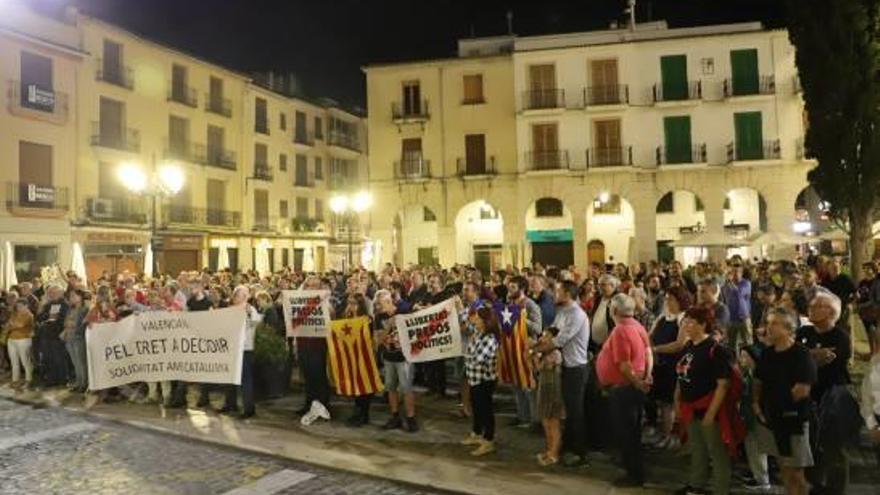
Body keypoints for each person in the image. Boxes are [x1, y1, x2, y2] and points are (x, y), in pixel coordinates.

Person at [753, 307, 816, 495]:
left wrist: (778, 407)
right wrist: (757, 404)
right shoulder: (767, 353)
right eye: (768, 322)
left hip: (793, 421)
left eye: (774, 323)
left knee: (797, 473)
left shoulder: (801, 354)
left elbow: (802, 389)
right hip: (771, 420)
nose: (768, 328)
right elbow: (759, 380)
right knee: (784, 469)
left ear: (789, 328)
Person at [674, 306, 736, 495]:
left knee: (717, 453)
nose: (685, 325)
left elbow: (723, 385)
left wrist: (711, 413)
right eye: (685, 321)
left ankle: (721, 490)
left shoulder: (716, 350)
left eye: (690, 322)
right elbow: (681, 375)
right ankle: (696, 485)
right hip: (690, 406)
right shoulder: (689, 345)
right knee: (697, 448)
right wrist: (677, 399)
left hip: (709, 408)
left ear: (703, 325)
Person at [796, 291, 851, 494]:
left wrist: (805, 356)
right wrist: (813, 355)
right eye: (811, 305)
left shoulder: (841, 337)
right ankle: (814, 486)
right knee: (810, 445)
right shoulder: (804, 333)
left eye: (817, 305)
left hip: (833, 398)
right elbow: (794, 358)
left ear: (830, 312)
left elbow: (829, 363)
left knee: (833, 447)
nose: (810, 308)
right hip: (808, 398)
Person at [596, 293, 652, 488]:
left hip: (624, 389)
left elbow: (624, 365)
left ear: (614, 311)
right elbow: (648, 352)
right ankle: (633, 468)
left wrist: (638, 382)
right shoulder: (637, 325)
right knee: (633, 431)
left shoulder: (621, 330)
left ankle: (634, 474)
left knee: (627, 433)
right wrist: (647, 376)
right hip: (632, 387)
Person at [534, 280, 589, 467]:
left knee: (575, 412)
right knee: (561, 411)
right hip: (562, 367)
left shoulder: (577, 314)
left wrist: (536, 349)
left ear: (567, 293)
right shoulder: (563, 312)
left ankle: (580, 453)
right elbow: (552, 331)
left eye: (558, 291)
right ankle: (563, 447)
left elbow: (560, 340)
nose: (554, 294)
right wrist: (543, 338)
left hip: (575, 368)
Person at [647, 286, 692, 449]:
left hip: (673, 365)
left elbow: (680, 344)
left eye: (671, 299)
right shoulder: (662, 317)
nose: (667, 302)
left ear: (680, 301)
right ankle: (664, 432)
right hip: (659, 363)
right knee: (661, 401)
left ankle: (670, 436)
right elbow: (649, 336)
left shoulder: (684, 319)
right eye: (666, 298)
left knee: (669, 403)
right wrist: (653, 350)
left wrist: (656, 349)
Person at [376, 290, 419, 432]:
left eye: (380, 304)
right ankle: (395, 416)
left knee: (406, 388)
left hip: (403, 358)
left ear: (389, 302)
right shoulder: (379, 317)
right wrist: (388, 326)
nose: (378, 307)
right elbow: (378, 340)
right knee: (390, 388)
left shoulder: (403, 313)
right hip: (389, 358)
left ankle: (411, 417)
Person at [461, 306, 500, 456]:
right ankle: (477, 433)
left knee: (486, 409)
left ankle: (488, 440)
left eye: (478, 318)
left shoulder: (489, 339)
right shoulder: (478, 332)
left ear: (485, 321)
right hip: (474, 378)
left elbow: (476, 359)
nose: (474, 320)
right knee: (476, 407)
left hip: (484, 379)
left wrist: (466, 354)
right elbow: (466, 323)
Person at [506, 276, 542, 428]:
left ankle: (535, 419)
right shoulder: (509, 304)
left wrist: (521, 317)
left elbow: (538, 328)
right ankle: (522, 416)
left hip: (527, 348)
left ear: (522, 289)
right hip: (513, 348)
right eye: (509, 287)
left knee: (528, 385)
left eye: (513, 287)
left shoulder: (531, 305)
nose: (509, 290)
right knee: (516, 384)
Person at [222, 285, 261, 419]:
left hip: (245, 349)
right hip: (232, 347)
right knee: (230, 378)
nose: (236, 297)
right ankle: (230, 404)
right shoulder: (231, 309)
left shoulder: (251, 309)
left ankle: (248, 408)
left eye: (240, 295)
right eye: (236, 295)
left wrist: (249, 312)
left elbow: (255, 322)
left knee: (245, 379)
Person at [739, 345, 771, 493]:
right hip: (747, 416)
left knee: (758, 449)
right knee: (751, 448)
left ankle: (763, 480)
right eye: (741, 356)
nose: (742, 359)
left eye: (745, 356)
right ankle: (757, 475)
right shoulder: (746, 374)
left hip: (756, 417)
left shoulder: (758, 376)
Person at [533, 327, 563, 466]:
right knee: (545, 420)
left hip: (553, 388)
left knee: (553, 422)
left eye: (546, 336)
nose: (542, 338)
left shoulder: (555, 354)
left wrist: (537, 352)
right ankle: (548, 449)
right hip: (544, 386)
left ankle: (554, 453)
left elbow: (547, 367)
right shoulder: (543, 354)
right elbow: (538, 368)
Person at [34, 284, 69, 387]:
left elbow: (63, 318)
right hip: (46, 334)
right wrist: (47, 315)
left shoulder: (65, 304)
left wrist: (50, 317)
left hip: (57, 334)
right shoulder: (48, 304)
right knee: (48, 357)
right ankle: (52, 378)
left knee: (59, 358)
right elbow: (39, 317)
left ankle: (62, 379)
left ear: (61, 293)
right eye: (50, 293)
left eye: (54, 292)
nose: (51, 294)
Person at [60, 289, 89, 392]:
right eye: (71, 296)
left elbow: (82, 324)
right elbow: (65, 322)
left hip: (78, 337)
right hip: (69, 337)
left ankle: (84, 383)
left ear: (80, 297)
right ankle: (78, 382)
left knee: (81, 361)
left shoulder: (84, 309)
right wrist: (68, 325)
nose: (71, 298)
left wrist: (73, 325)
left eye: (74, 296)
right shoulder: (70, 309)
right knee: (74, 361)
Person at [5, 299, 34, 389]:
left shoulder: (29, 315)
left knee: (25, 361)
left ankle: (28, 380)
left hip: (24, 339)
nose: (18, 308)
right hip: (11, 339)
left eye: (21, 306)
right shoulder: (14, 314)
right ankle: (15, 380)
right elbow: (7, 326)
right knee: (14, 362)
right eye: (17, 306)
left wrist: (12, 325)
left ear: (26, 306)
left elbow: (20, 325)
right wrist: (12, 325)